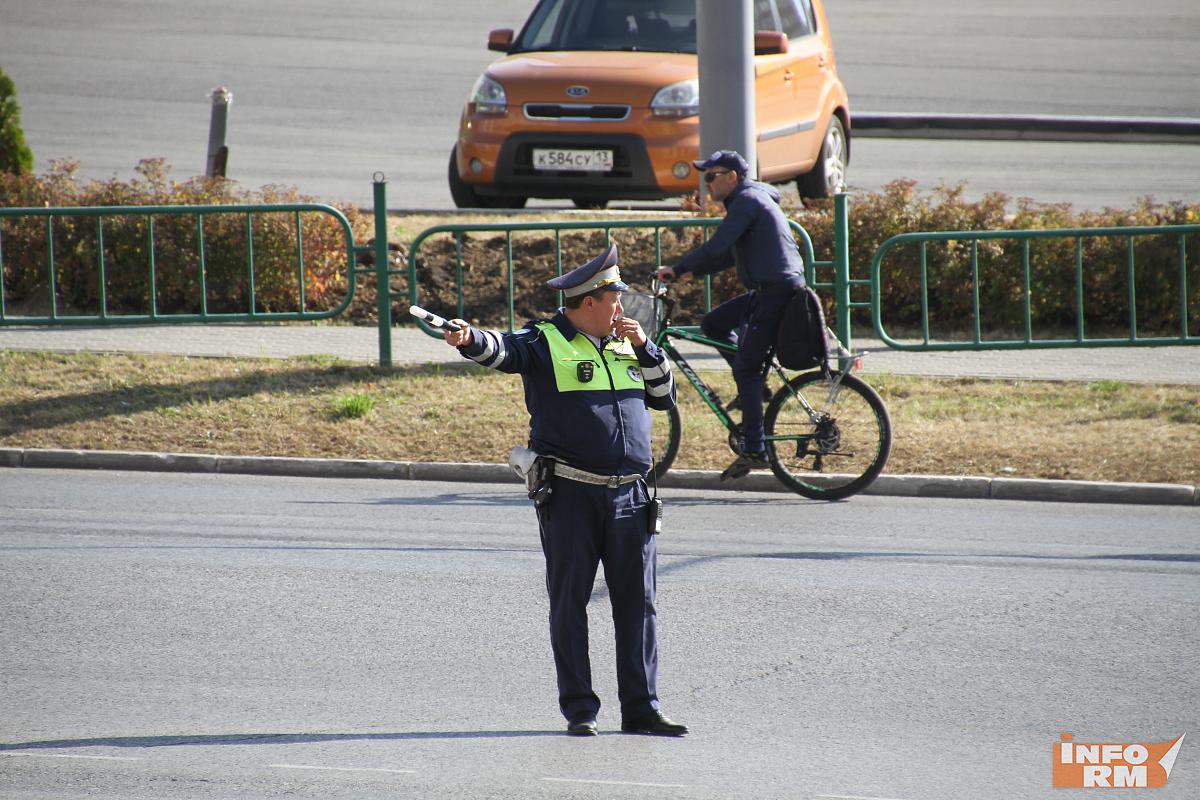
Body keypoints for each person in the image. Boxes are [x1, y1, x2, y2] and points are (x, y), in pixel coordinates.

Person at [441, 243, 688, 738]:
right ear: (589, 302)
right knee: (569, 602)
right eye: (615, 298)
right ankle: (581, 709)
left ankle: (641, 707)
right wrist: (468, 339)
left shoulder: (626, 343)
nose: (623, 306)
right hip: (571, 495)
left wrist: (645, 347)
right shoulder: (545, 339)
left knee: (638, 605)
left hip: (631, 496)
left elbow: (665, 398)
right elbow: (502, 350)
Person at [655, 149, 806, 480]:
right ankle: (757, 390)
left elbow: (719, 244)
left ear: (732, 177)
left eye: (711, 176)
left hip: (776, 293)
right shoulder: (748, 200)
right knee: (713, 324)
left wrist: (678, 266)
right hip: (768, 290)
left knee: (747, 370)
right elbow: (729, 256)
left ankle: (755, 448)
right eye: (704, 177)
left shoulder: (747, 202)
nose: (706, 183)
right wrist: (689, 274)